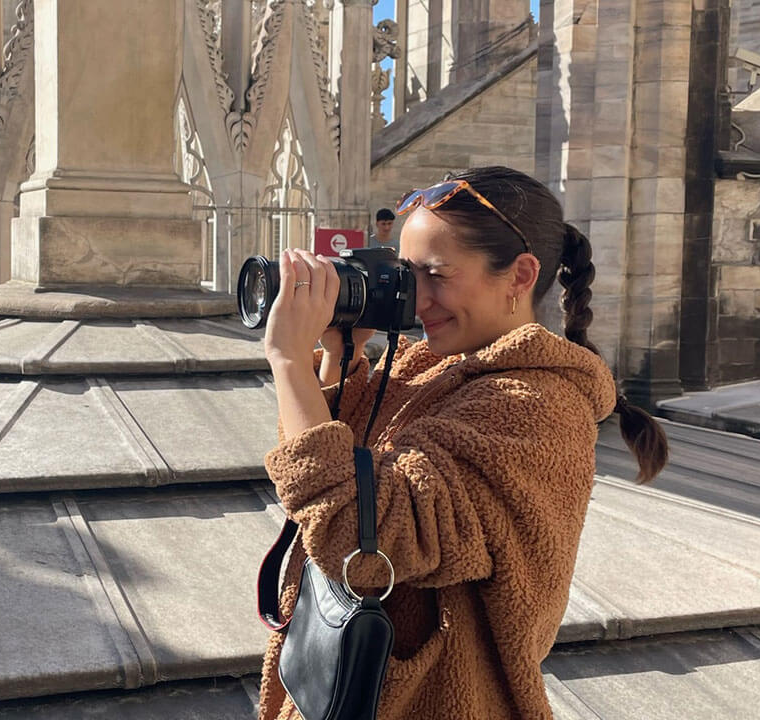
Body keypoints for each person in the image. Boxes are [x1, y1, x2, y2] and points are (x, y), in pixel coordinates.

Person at [258, 166, 668, 720]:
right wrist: (339, 353)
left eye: (436, 274)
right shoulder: (426, 361)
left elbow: (360, 542)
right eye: (407, 273)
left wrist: (287, 361)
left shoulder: (534, 406)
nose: (416, 297)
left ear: (520, 276)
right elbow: (336, 463)